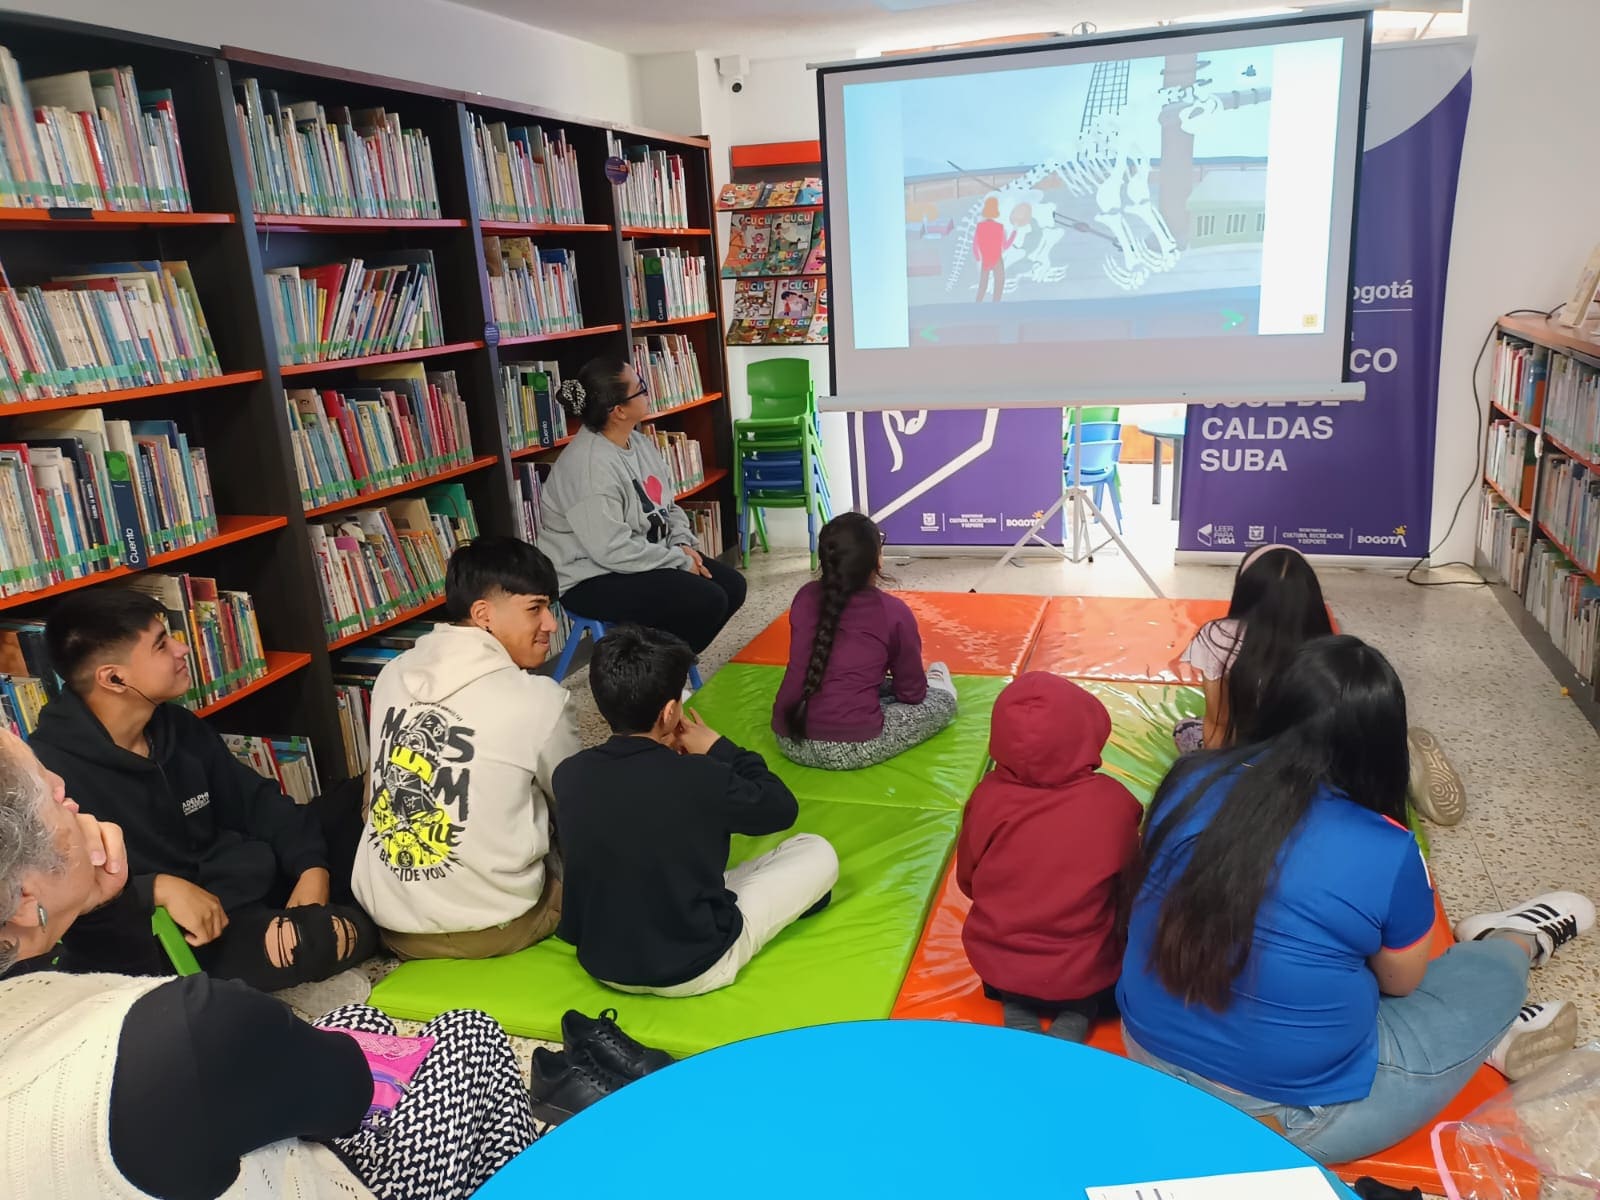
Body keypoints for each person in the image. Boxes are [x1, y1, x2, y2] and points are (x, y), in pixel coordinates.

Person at [0, 727, 538, 1200]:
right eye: (48, 792)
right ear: (25, 898)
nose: (66, 792)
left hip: (174, 1111)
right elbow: (344, 1097)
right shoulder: (189, 1024)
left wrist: (108, 900)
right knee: (470, 1034)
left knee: (364, 1023)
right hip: (300, 1158)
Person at [1119, 635, 1589, 1164]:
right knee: (1484, 975)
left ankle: (1492, 1034)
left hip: (1146, 1063)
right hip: (1290, 1120)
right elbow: (1402, 982)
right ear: (1383, 746)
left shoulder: (1190, 778)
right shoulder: (1386, 845)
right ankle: (1517, 940)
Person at [31, 589, 375, 992]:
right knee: (335, 934)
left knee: (366, 796)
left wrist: (311, 867)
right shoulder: (47, 773)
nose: (182, 650)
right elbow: (51, 897)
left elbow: (261, 804)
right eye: (161, 644)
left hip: (250, 879)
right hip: (192, 934)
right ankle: (368, 913)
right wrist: (153, 888)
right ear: (114, 678)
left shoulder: (176, 726)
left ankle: (361, 903)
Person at [555, 624, 838, 998]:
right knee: (816, 851)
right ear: (670, 711)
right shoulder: (703, 776)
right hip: (695, 966)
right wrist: (721, 748)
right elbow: (781, 808)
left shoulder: (568, 774)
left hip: (602, 964)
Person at [351, 536, 580, 961]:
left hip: (393, 925)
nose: (550, 624)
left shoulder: (391, 674)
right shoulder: (539, 700)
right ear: (483, 615)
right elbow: (576, 807)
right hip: (498, 926)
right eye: (535, 609)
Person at [1174, 543, 1466, 826]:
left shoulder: (1216, 637)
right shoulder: (1328, 648)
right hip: (1321, 768)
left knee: (1185, 730)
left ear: (1245, 590)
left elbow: (1218, 723)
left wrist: (1215, 775)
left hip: (1254, 763)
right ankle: (1399, 757)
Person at [956, 673, 1141, 1041]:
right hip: (1085, 969)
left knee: (1017, 971)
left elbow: (968, 879)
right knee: (1107, 949)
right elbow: (1131, 886)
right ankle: (1078, 1012)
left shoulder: (987, 797)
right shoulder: (1114, 802)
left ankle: (1017, 1004)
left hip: (998, 962)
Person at [538, 357, 746, 654]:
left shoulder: (639, 443)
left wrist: (682, 543)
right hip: (592, 575)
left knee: (732, 587)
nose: (648, 393)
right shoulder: (589, 468)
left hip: (641, 556)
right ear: (619, 410)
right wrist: (677, 560)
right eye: (641, 388)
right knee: (708, 599)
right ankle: (655, 673)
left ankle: (661, 664)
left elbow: (668, 507)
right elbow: (611, 550)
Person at [772, 512, 958, 770]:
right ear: (877, 561)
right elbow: (912, 693)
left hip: (788, 738)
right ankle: (940, 684)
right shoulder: (893, 612)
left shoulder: (804, 596)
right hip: (851, 747)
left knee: (877, 686)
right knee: (942, 701)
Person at [973, 194, 1015, 303]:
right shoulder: (999, 227)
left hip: (986, 259)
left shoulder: (979, 227)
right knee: (999, 283)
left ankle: (977, 304)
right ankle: (996, 305)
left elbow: (975, 246)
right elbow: (1005, 246)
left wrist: (978, 258)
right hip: (997, 259)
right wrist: (1014, 233)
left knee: (983, 285)